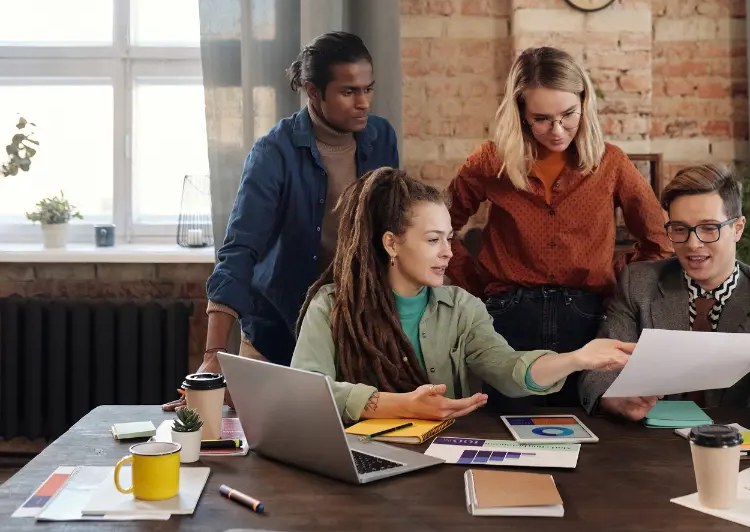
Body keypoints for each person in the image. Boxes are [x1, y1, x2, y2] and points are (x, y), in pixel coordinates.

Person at [163, 31, 398, 411]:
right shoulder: (273, 152)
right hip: (277, 333)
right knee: (263, 457)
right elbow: (240, 250)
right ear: (312, 91)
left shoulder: (382, 137)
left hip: (354, 336)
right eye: (349, 92)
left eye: (368, 89)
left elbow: (391, 233)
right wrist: (212, 356)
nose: (364, 103)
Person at [291, 168, 635, 422]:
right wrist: (398, 405)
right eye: (432, 240)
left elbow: (508, 368)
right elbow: (305, 392)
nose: (448, 252)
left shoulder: (462, 308)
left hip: (444, 465)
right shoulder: (331, 306)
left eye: (449, 238)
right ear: (391, 243)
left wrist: (577, 358)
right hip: (358, 461)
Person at [445, 47, 671, 411]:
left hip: (585, 317)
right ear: (520, 113)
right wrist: (477, 283)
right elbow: (440, 229)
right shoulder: (490, 162)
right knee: (507, 428)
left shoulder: (611, 163)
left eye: (568, 115)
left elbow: (659, 240)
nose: (557, 129)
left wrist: (614, 274)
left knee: (589, 430)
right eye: (542, 118)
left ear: (585, 102)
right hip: (507, 318)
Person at [578, 164, 750, 424]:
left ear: (737, 228)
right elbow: (596, 371)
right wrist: (616, 399)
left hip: (733, 447)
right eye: (679, 229)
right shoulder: (639, 283)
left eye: (709, 228)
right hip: (649, 445)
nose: (693, 244)